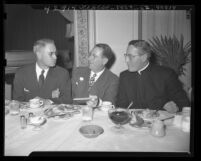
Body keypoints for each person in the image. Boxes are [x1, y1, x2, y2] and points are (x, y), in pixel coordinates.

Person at [116, 40, 190, 113]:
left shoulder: (166, 74)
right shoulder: (124, 76)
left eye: (131, 56)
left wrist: (174, 107)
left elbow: (184, 104)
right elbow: (120, 106)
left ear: (144, 57)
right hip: (132, 122)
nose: (126, 60)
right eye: (126, 55)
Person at [13, 38, 72, 104]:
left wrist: (48, 101)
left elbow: (67, 100)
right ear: (39, 54)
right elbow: (17, 101)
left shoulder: (62, 73)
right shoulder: (21, 73)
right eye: (51, 54)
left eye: (55, 53)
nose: (55, 57)